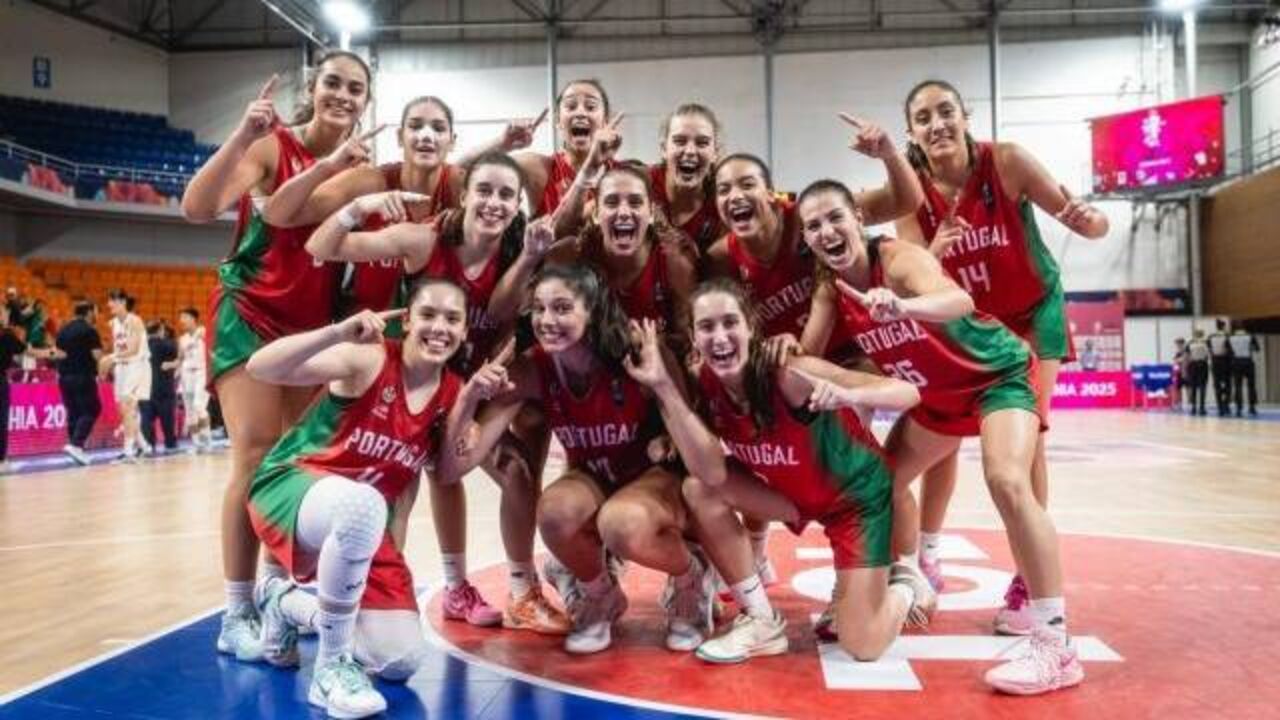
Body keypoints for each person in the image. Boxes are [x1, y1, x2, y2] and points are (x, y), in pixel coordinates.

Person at [797, 179, 1080, 695]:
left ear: (858, 219)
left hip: (997, 376)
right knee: (875, 485)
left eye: (835, 217)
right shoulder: (829, 289)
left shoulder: (898, 260)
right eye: (813, 225)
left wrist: (903, 307)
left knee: (1007, 480)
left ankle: (1056, 645)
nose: (826, 230)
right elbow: (806, 356)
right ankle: (898, 580)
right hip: (936, 402)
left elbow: (958, 299)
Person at [309, 153, 572, 635]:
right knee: (398, 495)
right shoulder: (424, 239)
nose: (494, 202)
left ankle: (521, 593)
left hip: (472, 389)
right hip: (416, 386)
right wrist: (358, 205)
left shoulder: (520, 252)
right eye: (485, 190)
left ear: (518, 205)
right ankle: (373, 601)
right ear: (465, 193)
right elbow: (322, 245)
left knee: (516, 471)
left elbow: (515, 309)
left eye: (506, 195)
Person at [625, 280, 930, 665]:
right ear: (693, 337)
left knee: (862, 645)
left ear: (751, 327)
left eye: (729, 322)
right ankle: (761, 619)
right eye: (706, 327)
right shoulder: (705, 381)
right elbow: (713, 473)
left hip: (856, 500)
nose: (720, 337)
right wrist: (664, 387)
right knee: (700, 488)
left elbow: (908, 393)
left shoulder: (789, 374)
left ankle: (904, 582)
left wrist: (849, 396)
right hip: (792, 498)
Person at [180, 50, 372, 658]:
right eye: (334, 83)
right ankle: (234, 610)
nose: (343, 95)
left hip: (311, 323)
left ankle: (274, 596)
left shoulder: (360, 167)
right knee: (256, 451)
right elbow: (197, 207)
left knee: (294, 465)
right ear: (314, 88)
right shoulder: (272, 146)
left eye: (356, 88)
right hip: (251, 312)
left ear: (366, 101)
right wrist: (241, 133)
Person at [895, 79, 1108, 607]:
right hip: (971, 324)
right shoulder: (908, 195)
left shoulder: (1008, 161)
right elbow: (913, 276)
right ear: (911, 133)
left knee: (1028, 433)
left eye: (946, 111)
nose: (937, 123)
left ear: (965, 116)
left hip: (1034, 313)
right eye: (924, 117)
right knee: (942, 430)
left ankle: (1026, 577)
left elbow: (1088, 224)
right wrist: (934, 255)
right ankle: (928, 550)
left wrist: (1093, 221)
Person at [441, 264, 717, 656]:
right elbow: (456, 467)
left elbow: (696, 452)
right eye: (538, 309)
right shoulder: (532, 367)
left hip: (660, 482)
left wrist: (661, 384)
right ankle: (601, 595)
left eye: (562, 308)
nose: (546, 320)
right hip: (597, 478)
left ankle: (692, 579)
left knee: (621, 522)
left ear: (592, 310)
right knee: (553, 511)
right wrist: (469, 399)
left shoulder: (637, 352)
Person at [243, 278, 467, 719]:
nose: (439, 326)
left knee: (400, 660)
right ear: (407, 319)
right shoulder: (368, 358)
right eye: (428, 314)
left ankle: (282, 603)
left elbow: (432, 479)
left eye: (452, 318)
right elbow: (260, 367)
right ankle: (331, 668)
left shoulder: (453, 393)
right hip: (289, 486)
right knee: (364, 504)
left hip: (361, 520)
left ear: (464, 332)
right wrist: (336, 332)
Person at [264, 95, 541, 317]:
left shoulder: (457, 183)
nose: (426, 136)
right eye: (416, 126)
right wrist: (332, 174)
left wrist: (502, 144)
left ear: (452, 141)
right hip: (370, 327)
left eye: (438, 128)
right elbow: (278, 215)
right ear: (399, 137)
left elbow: (482, 179)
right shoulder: (369, 181)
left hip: (436, 333)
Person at [514, 78, 623, 230]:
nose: (580, 113)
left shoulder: (625, 175)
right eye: (571, 107)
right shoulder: (538, 168)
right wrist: (503, 144)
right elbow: (471, 171)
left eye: (591, 107)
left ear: (605, 120)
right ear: (558, 121)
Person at [649, 104, 724, 257]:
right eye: (680, 141)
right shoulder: (642, 183)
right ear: (664, 149)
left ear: (715, 152)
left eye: (702, 143)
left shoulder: (722, 204)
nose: (690, 151)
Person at [101, 290, 152, 462]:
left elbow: (134, 349)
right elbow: (118, 349)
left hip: (137, 365)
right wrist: (109, 363)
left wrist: (111, 358)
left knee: (127, 407)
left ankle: (128, 452)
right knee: (124, 411)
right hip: (121, 368)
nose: (109, 305)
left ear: (122, 302)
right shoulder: (113, 323)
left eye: (112, 301)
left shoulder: (135, 321)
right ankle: (144, 446)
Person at [54, 300, 103, 465]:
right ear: (89, 312)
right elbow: (97, 355)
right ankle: (76, 445)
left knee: (74, 413)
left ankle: (76, 449)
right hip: (83, 376)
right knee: (92, 409)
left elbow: (58, 353)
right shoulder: (90, 330)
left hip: (64, 377)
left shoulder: (62, 330)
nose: (97, 315)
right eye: (95, 311)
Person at [176, 308, 213, 451]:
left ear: (193, 318)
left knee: (199, 406)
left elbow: (211, 346)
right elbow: (180, 359)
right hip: (186, 375)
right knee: (190, 411)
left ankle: (207, 440)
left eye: (184, 317)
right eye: (181, 318)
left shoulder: (203, 331)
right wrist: (171, 365)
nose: (182, 321)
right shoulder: (182, 339)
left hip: (201, 373)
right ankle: (197, 444)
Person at [141, 321, 179, 454]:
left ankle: (149, 445)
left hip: (146, 388)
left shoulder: (142, 345)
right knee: (167, 419)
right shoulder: (167, 344)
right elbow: (179, 355)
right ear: (160, 330)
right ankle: (170, 444)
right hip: (164, 388)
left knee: (146, 420)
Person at [0, 304, 28, 475]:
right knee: (1, 420)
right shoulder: (7, 337)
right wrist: (50, 352)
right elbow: (27, 350)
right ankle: (1, 461)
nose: (5, 316)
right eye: (3, 313)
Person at [1229, 325, 1259, 417]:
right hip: (1248, 361)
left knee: (1238, 386)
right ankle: (1252, 407)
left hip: (1236, 362)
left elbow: (1229, 351)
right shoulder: (1250, 336)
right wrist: (1249, 348)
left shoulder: (1230, 338)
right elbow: (1257, 349)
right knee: (1251, 385)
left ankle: (1238, 408)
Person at [1208, 318, 1233, 417]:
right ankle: (1226, 405)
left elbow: (1209, 350)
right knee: (1227, 384)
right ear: (1223, 326)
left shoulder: (1210, 337)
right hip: (1225, 362)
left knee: (1217, 385)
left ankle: (1220, 407)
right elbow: (1230, 350)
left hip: (1215, 362)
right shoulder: (1227, 336)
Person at [1186, 330, 1210, 416]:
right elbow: (1207, 355)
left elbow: (1187, 356)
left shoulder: (1190, 343)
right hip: (1203, 364)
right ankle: (1202, 408)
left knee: (1193, 388)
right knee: (1203, 387)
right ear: (1202, 334)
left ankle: (1193, 408)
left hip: (1193, 365)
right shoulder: (1206, 342)